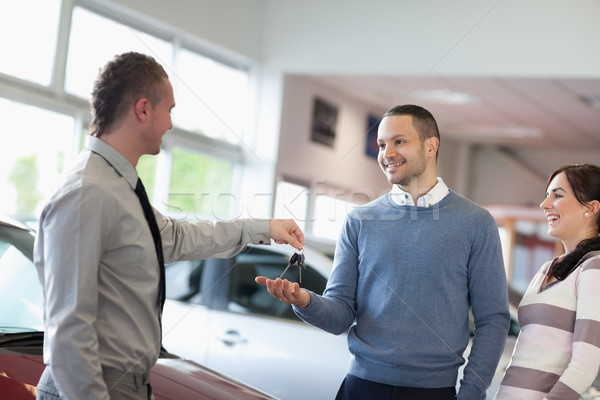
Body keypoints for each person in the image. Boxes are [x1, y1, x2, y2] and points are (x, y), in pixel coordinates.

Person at [34, 51, 304, 400]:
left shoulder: (117, 185)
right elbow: (68, 329)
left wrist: (263, 227)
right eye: (170, 110)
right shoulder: (88, 192)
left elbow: (174, 237)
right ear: (143, 109)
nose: (171, 123)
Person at [256, 104, 510, 400]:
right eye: (381, 144)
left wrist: (470, 394)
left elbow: (493, 319)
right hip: (360, 387)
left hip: (432, 392)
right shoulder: (359, 221)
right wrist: (304, 301)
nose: (386, 153)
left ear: (431, 146)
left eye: (399, 141)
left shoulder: (475, 223)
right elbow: (340, 315)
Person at [495, 164, 600, 400]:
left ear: (591, 208)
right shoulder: (547, 269)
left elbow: (585, 365)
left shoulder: (594, 268)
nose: (544, 204)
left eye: (558, 195)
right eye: (547, 195)